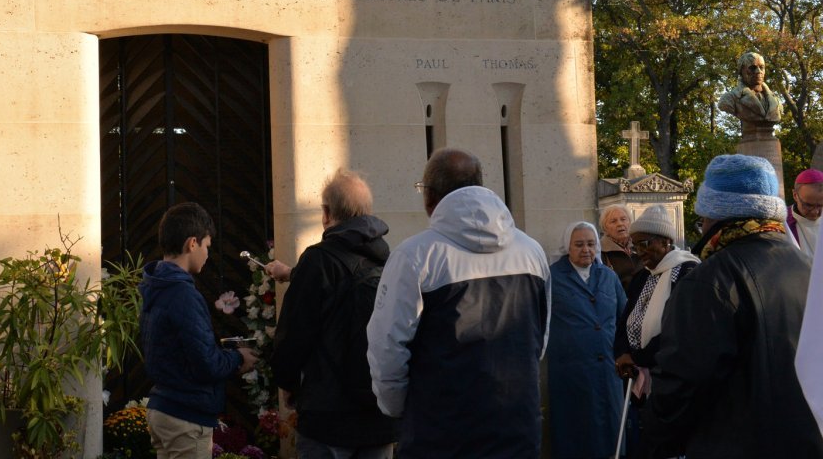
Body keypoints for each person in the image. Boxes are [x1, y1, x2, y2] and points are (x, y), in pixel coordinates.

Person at [366, 148, 550, 458]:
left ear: (430, 196)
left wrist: (396, 406)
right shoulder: (531, 252)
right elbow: (539, 338)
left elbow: (387, 347)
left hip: (440, 432)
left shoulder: (415, 256)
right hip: (516, 424)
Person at [646, 154, 823, 457]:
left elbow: (682, 383)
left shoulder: (709, 281)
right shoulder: (808, 267)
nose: (701, 225)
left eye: (702, 215)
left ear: (716, 215)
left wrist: (654, 441)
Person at [270, 169, 399, 458]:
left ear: (326, 213)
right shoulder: (388, 260)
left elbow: (294, 333)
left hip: (326, 414)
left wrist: (287, 382)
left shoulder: (318, 260)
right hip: (377, 412)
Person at [139, 202, 258, 459]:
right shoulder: (181, 293)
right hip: (185, 415)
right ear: (192, 243)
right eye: (207, 246)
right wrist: (239, 358)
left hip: (165, 408)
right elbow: (206, 363)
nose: (207, 254)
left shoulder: (157, 285)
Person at [612, 205, 698, 459]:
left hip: (669, 378)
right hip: (642, 378)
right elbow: (625, 320)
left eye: (645, 244)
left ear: (666, 241)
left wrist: (638, 358)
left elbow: (680, 330)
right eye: (635, 245)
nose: (640, 252)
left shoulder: (687, 272)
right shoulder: (642, 276)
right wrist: (622, 352)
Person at [547, 221, 627, 459]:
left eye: (591, 244)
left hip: (607, 370)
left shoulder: (608, 277)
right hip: (571, 372)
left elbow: (624, 317)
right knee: (575, 432)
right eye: (579, 244)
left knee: (610, 430)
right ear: (567, 247)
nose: (586, 250)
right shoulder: (552, 278)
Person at [717, 51, 782, 124]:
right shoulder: (729, 99)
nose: (758, 71)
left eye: (761, 67)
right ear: (741, 71)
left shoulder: (776, 100)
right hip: (750, 133)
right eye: (752, 68)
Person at [598, 205, 642, 296]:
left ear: (630, 222)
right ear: (605, 228)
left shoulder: (641, 246)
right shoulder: (599, 252)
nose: (620, 224)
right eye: (613, 221)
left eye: (623, 219)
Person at [788, 168, 823, 262]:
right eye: (808, 205)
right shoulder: (783, 222)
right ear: (795, 195)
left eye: (820, 206)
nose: (815, 212)